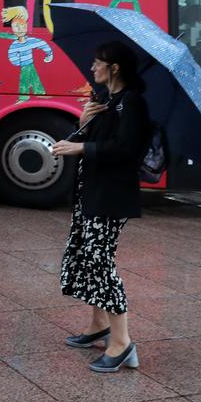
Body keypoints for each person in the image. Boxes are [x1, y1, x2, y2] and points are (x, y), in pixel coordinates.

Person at [51, 40, 150, 374]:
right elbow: (89, 140)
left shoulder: (132, 104)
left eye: (97, 62)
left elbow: (125, 150)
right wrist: (84, 118)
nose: (92, 68)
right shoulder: (109, 102)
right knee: (86, 257)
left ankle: (122, 343)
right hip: (91, 192)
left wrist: (81, 149)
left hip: (110, 196)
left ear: (115, 68)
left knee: (101, 262)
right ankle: (98, 325)